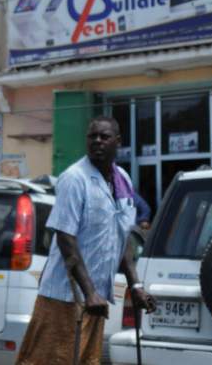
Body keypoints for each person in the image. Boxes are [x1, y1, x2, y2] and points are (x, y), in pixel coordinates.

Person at [16, 117, 156, 365]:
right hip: (64, 298)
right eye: (93, 137)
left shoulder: (122, 179)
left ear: (118, 142)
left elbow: (121, 238)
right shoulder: (74, 178)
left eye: (104, 137)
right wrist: (89, 292)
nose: (98, 142)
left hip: (96, 300)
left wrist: (135, 286)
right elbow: (65, 238)